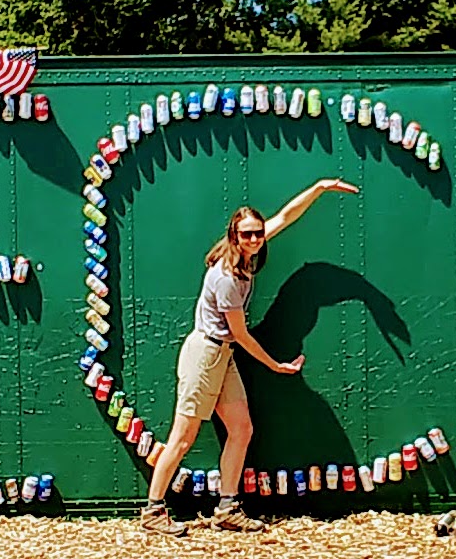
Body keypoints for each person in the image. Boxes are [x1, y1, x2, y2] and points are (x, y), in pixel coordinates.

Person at [139, 179, 360, 535]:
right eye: (247, 235)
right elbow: (239, 334)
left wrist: (319, 189)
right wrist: (276, 366)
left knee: (241, 429)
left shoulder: (245, 257)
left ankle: (227, 508)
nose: (255, 240)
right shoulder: (226, 276)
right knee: (182, 436)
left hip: (221, 355)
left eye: (258, 233)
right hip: (206, 355)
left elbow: (286, 217)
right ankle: (153, 512)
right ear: (234, 236)